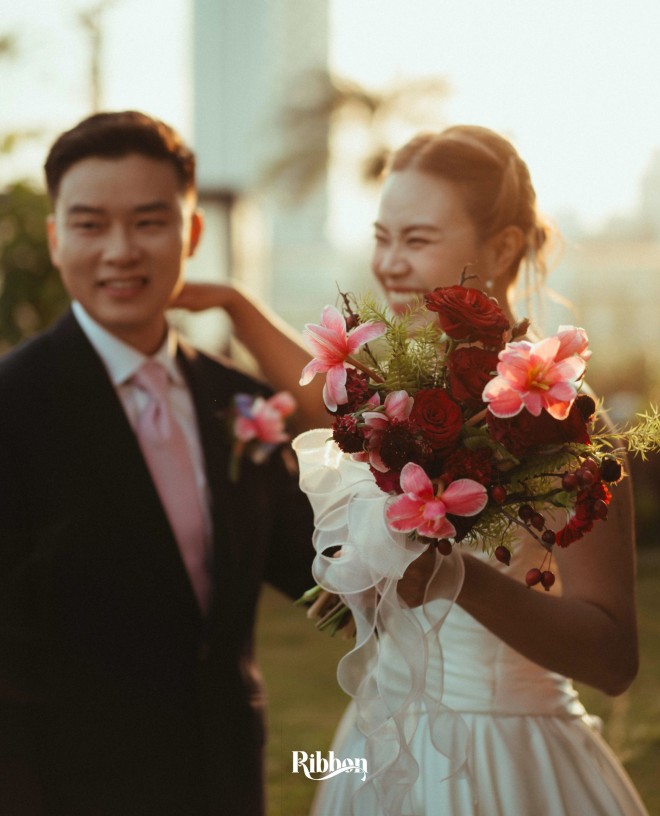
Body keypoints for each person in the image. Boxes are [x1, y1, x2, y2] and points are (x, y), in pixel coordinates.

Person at [175, 125, 649, 815]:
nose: (390, 264)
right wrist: (234, 305)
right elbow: (316, 397)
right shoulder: (393, 397)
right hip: (381, 748)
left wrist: (462, 581)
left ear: (504, 247)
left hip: (507, 760)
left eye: (417, 239)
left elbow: (614, 660)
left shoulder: (560, 424)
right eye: (382, 236)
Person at [0, 110, 318, 816]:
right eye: (89, 226)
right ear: (56, 240)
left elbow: (319, 572)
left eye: (149, 222)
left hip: (228, 781)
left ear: (191, 232)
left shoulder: (239, 401)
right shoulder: (11, 407)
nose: (120, 250)